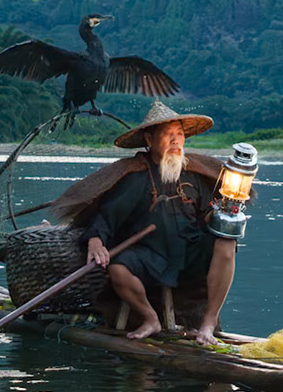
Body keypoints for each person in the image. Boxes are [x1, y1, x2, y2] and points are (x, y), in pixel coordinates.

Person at [51, 101, 240, 342]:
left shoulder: (195, 174)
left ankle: (208, 323)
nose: (176, 141)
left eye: (180, 135)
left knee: (226, 242)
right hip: (150, 256)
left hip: (190, 254)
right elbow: (107, 217)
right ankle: (150, 319)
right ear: (149, 140)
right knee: (118, 268)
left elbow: (207, 216)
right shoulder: (134, 177)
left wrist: (218, 215)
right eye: (168, 135)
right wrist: (96, 241)